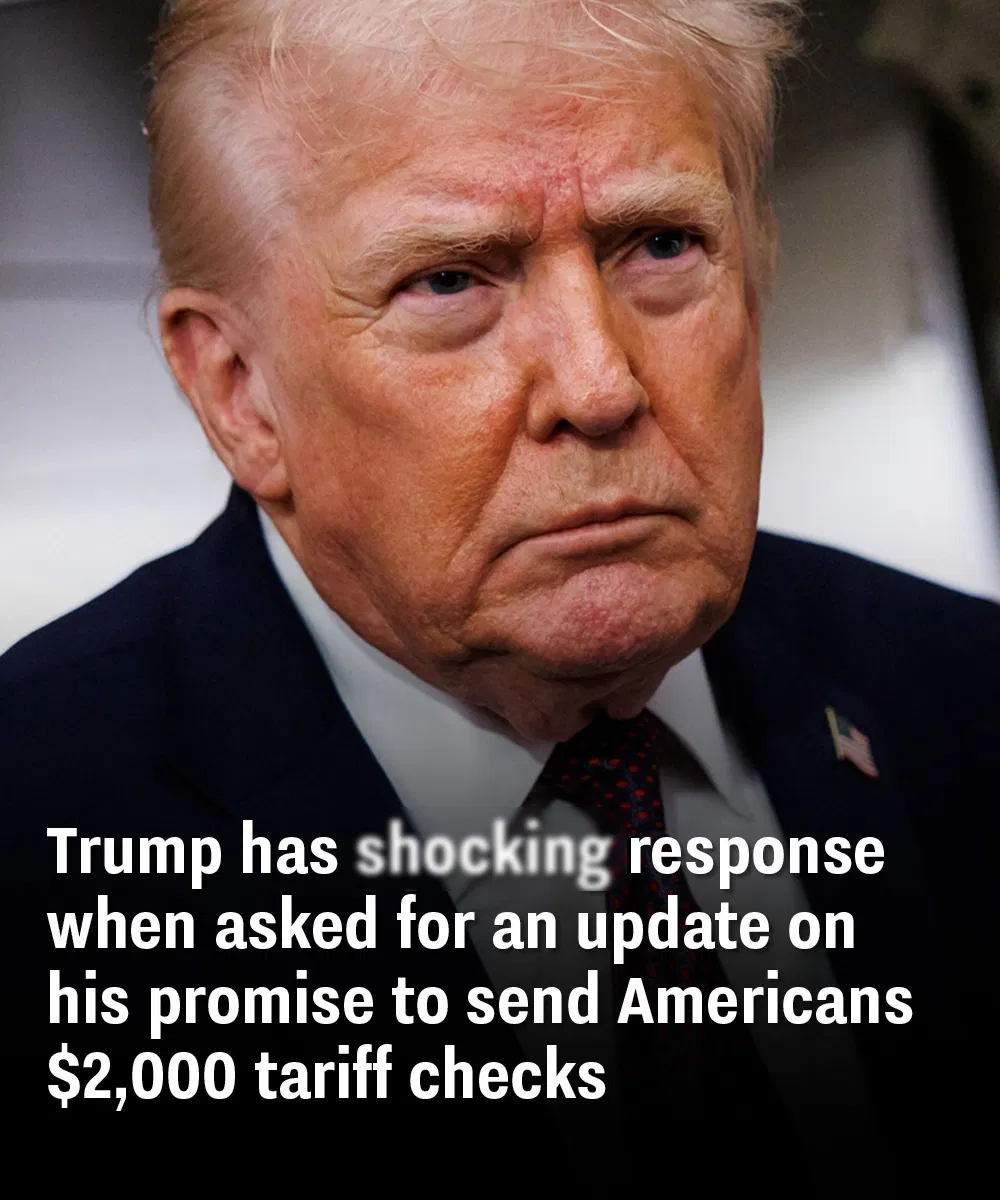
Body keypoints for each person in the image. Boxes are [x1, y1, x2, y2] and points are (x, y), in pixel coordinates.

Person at [1, 0, 996, 1187]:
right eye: (448, 279)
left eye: (660, 245)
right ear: (238, 392)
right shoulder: (37, 825)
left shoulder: (966, 689)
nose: (600, 383)